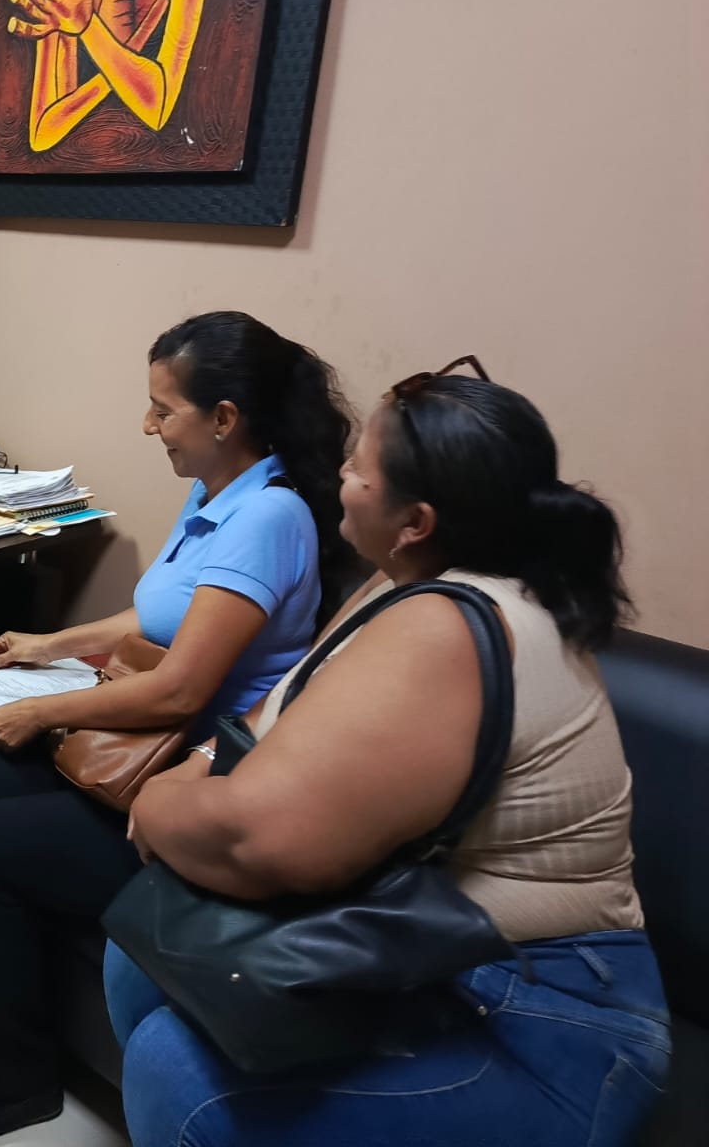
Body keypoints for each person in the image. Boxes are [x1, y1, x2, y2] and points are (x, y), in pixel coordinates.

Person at [0, 311, 356, 1145]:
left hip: (191, 790)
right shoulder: (216, 496)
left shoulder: (269, 520)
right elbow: (156, 618)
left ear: (225, 418)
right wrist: (50, 645)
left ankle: (8, 1082)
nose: (148, 425)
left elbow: (180, 690)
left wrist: (40, 708)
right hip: (145, 757)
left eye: (164, 409)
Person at [108, 360, 670, 1147]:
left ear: (415, 521)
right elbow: (265, 720)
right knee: (140, 949)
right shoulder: (400, 585)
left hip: (543, 1014)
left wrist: (156, 799)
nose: (340, 475)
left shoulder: (449, 625)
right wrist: (201, 766)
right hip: (423, 947)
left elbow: (257, 842)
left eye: (356, 467)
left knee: (177, 1071)